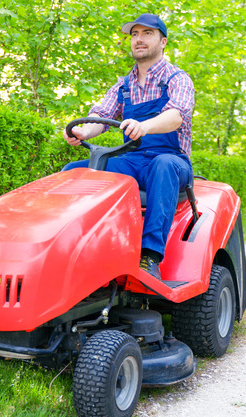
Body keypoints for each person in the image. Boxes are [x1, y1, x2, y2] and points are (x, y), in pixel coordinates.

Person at [62, 13, 195, 280]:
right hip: (133, 160)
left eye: (147, 33)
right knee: (72, 172)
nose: (139, 39)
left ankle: (150, 256)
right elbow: (100, 116)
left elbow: (176, 116)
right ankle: (73, 249)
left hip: (172, 161)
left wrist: (145, 126)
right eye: (134, 34)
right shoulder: (123, 85)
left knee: (163, 165)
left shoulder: (178, 79)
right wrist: (83, 131)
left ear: (163, 41)